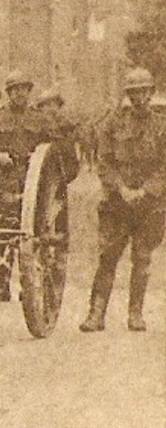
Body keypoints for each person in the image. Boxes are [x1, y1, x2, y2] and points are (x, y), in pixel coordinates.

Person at [79, 67, 166, 333]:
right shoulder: (113, 124)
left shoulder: (161, 126)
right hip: (117, 203)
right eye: (134, 92)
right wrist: (121, 189)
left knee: (141, 259)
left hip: (149, 205)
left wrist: (147, 190)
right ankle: (96, 314)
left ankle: (135, 314)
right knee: (108, 257)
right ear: (128, 95)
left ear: (150, 93)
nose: (139, 97)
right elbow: (103, 162)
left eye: (143, 92)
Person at [0, 70, 50, 301]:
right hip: (2, 179)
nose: (20, 93)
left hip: (33, 184)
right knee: (2, 228)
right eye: (15, 89)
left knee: (33, 235)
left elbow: (52, 154)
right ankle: (2, 284)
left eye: (24, 89)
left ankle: (29, 285)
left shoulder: (40, 119)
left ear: (29, 92)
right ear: (8, 92)